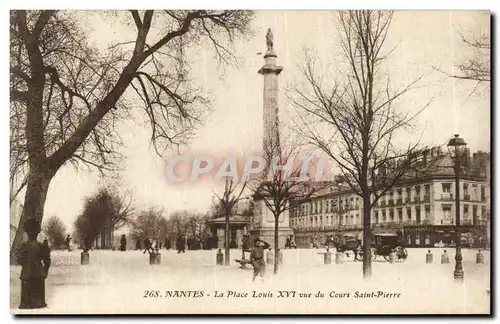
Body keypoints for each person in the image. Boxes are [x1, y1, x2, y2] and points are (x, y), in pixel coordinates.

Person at [18, 218, 51, 309]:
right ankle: (38, 304)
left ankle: (26, 305)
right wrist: (45, 271)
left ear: (27, 233)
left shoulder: (23, 246)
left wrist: (25, 263)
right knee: (38, 301)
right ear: (37, 233)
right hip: (38, 275)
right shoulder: (41, 246)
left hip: (26, 274)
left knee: (26, 302)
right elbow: (47, 260)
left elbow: (19, 260)